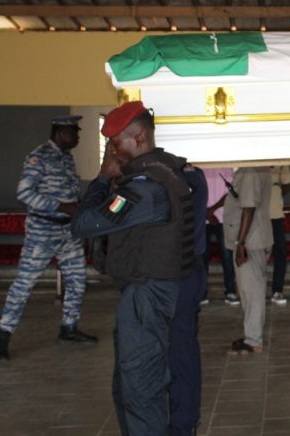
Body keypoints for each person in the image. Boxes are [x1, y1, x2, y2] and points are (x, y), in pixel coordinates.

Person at [71, 101, 195, 434]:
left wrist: (100, 180)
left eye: (115, 144)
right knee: (133, 387)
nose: (112, 153)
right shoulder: (164, 174)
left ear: (138, 138)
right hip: (151, 291)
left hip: (146, 296)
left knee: (140, 391)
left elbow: (83, 224)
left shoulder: (144, 190)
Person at [0, 115, 96, 361]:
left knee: (78, 281)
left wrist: (74, 208)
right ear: (60, 133)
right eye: (74, 133)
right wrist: (60, 206)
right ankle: (3, 335)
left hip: (68, 233)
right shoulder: (38, 157)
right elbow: (24, 193)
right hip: (42, 232)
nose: (78, 137)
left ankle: (69, 328)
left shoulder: (67, 158)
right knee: (24, 284)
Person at [168, 164, 208, 436]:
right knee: (182, 352)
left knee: (180, 353)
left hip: (179, 275)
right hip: (187, 272)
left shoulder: (184, 183)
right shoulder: (194, 179)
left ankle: (183, 424)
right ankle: (185, 420)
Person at [223, 167, 273, 354]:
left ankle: (253, 340)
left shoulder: (251, 170)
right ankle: (252, 335)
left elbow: (249, 208)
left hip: (250, 242)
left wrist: (240, 243)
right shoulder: (255, 168)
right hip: (253, 239)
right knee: (250, 291)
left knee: (252, 292)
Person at [202, 167, 239, 305]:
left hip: (223, 217)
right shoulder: (199, 167)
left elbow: (230, 193)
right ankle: (201, 293)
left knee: (227, 255)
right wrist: (207, 213)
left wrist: (211, 211)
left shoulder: (226, 167)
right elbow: (195, 191)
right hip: (202, 218)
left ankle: (230, 291)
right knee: (202, 256)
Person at [269, 165, 290, 305]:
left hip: (276, 215)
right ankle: (254, 290)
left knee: (280, 252)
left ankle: (277, 290)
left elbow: (287, 185)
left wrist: (275, 193)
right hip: (255, 214)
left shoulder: (279, 160)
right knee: (256, 253)